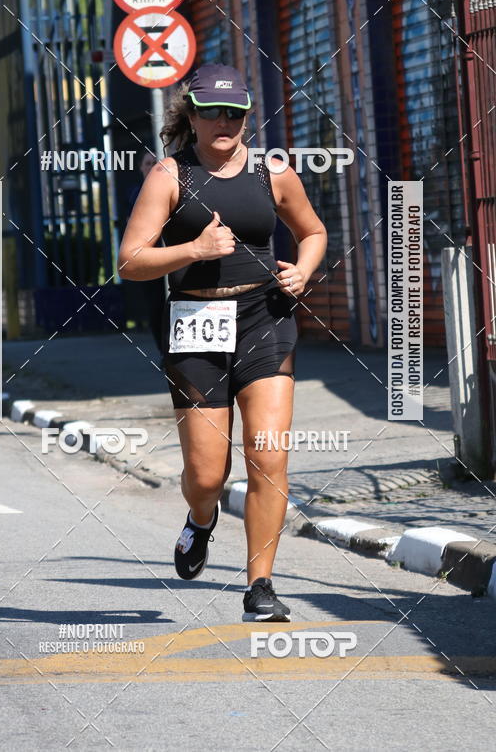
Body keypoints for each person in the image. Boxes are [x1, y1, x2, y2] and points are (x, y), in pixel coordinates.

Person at [118, 64, 327, 621]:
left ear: (246, 117)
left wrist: (303, 271)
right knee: (208, 475)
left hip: (266, 317)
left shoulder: (273, 172)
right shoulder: (169, 176)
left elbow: (313, 232)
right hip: (196, 323)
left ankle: (261, 586)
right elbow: (131, 261)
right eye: (212, 111)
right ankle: (201, 520)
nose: (224, 122)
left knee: (268, 456)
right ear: (191, 114)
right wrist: (194, 250)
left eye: (234, 113)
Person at [126, 151, 165, 354]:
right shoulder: (136, 194)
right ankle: (163, 353)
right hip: (150, 261)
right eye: (148, 163)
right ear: (142, 168)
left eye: (156, 163)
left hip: (171, 257)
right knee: (156, 307)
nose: (152, 167)